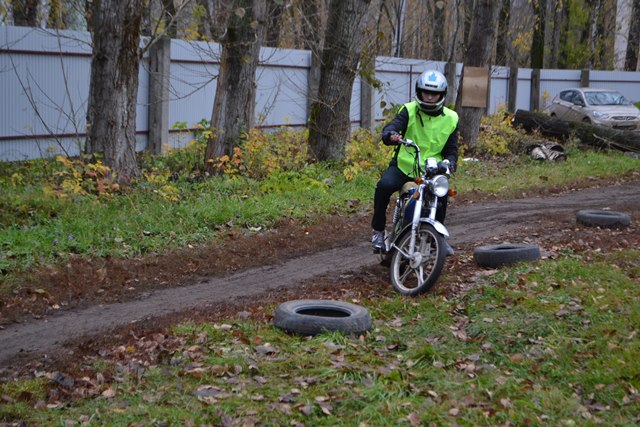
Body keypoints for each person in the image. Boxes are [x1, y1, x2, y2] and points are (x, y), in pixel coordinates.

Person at [371, 69, 459, 255]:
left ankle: (437, 238)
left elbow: (452, 150)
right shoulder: (409, 109)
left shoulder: (452, 118)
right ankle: (378, 231)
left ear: (441, 95)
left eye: (434, 93)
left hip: (431, 171)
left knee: (441, 194)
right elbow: (393, 126)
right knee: (384, 186)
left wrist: (450, 162)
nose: (429, 97)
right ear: (419, 92)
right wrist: (391, 135)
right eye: (426, 92)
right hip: (403, 166)